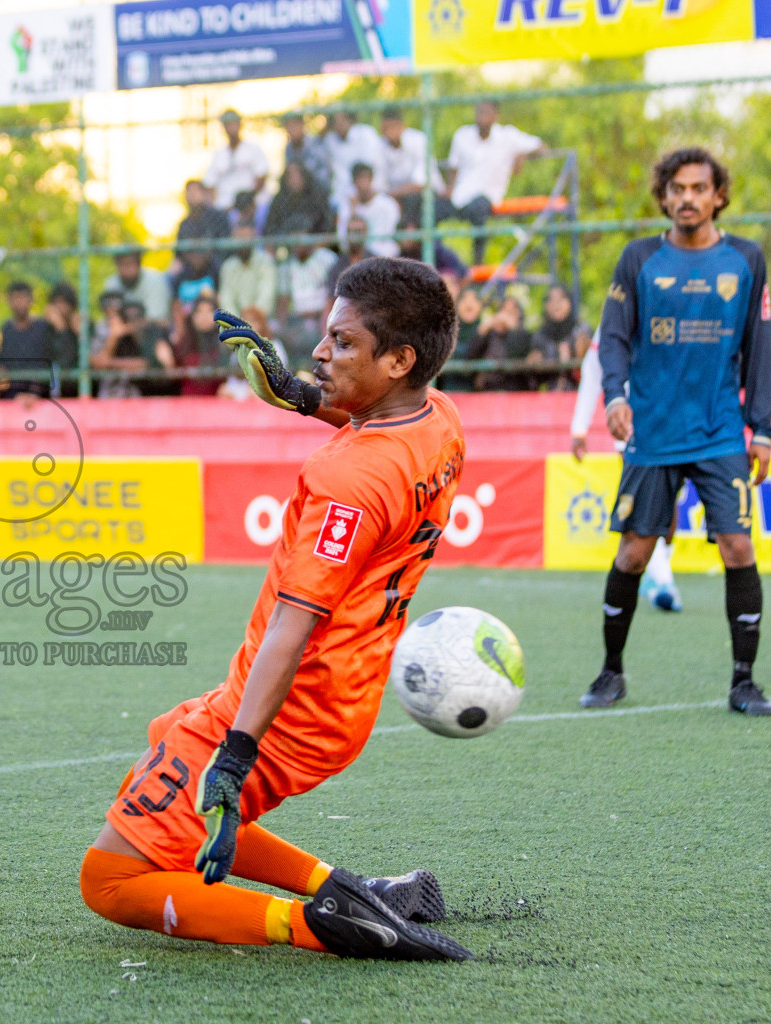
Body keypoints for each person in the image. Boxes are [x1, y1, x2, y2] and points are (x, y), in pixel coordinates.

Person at [79, 258, 473, 962]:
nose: (320, 352)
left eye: (342, 343)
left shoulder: (347, 478)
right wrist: (298, 394)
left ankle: (319, 926)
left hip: (292, 705)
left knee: (109, 879)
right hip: (346, 697)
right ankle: (352, 889)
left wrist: (236, 752)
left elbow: (294, 627)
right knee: (165, 733)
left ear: (399, 359)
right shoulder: (440, 417)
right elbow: (376, 427)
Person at [584, 146, 771, 716]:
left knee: (739, 546)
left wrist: (760, 429)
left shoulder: (746, 259)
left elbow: (759, 348)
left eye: (699, 188)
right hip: (652, 430)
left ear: (719, 195)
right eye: (677, 189)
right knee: (635, 555)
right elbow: (614, 338)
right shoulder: (638, 258)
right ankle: (610, 672)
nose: (687, 198)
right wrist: (614, 396)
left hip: (720, 431)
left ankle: (744, 682)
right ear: (663, 197)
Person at [570, 327, 682, 612]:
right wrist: (579, 428)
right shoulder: (615, 318)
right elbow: (593, 369)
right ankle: (663, 580)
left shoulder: (672, 309)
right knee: (646, 499)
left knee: (670, 501)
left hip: (674, 420)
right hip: (631, 427)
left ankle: (657, 570)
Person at [439, 101, 544, 262]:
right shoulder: (462, 135)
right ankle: (433, 261)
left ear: (496, 115)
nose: (482, 116)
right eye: (479, 111)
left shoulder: (508, 136)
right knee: (429, 207)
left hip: (487, 197)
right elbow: (453, 166)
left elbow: (540, 146)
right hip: (460, 195)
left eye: (486, 112)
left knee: (479, 210)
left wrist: (521, 154)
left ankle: (477, 264)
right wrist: (450, 188)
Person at [274, 233, 339, 368]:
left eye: (301, 240)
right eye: (294, 241)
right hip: (297, 320)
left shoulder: (326, 258)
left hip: (322, 317)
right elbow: (283, 301)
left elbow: (333, 295)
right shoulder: (286, 265)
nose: (297, 245)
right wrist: (284, 328)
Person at [0, 280, 57, 397]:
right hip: (11, 393)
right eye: (15, 298)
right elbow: (1, 366)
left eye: (23, 298)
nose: (19, 302)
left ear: (31, 300)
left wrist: (33, 393)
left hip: (39, 393)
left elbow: (45, 364)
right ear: (9, 301)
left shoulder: (42, 327)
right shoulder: (6, 329)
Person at [203, 110, 269, 212]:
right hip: (224, 208)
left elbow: (261, 176)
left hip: (252, 205)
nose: (231, 128)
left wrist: (246, 200)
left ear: (240, 124)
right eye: (227, 124)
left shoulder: (253, 149)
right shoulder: (218, 154)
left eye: (233, 123)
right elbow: (209, 183)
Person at [375, 106, 431, 221]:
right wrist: (393, 197)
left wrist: (394, 194)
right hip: (394, 199)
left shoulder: (418, 140)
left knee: (413, 200)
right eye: (385, 128)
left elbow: (420, 184)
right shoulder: (379, 146)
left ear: (402, 126)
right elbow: (378, 185)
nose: (389, 132)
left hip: (425, 198)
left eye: (392, 127)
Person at [468, 295, 532, 391]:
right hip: (488, 391)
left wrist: (513, 329)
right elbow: (471, 355)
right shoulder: (490, 335)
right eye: (504, 311)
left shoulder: (525, 336)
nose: (505, 317)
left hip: (515, 391)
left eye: (511, 312)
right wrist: (483, 330)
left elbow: (518, 355)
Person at [339, 163, 401, 259]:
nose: (363, 183)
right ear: (354, 182)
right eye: (359, 179)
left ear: (371, 179)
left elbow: (390, 235)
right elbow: (343, 241)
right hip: (357, 256)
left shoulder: (387, 204)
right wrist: (354, 211)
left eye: (365, 178)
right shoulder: (347, 206)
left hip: (384, 255)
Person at [217, 224, 276, 325]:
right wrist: (237, 323)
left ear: (254, 238)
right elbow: (227, 300)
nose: (243, 242)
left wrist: (253, 319)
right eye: (239, 238)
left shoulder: (265, 262)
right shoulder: (228, 266)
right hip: (236, 324)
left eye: (247, 238)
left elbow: (267, 296)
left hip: (263, 321)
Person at [322, 112, 384, 206]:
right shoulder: (330, 141)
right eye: (335, 121)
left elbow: (374, 165)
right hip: (344, 195)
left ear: (350, 120)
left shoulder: (366, 134)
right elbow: (338, 174)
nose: (339, 124)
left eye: (343, 120)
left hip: (371, 190)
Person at [263, 163, 335, 242]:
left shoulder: (316, 198)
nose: (294, 180)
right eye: (290, 176)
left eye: (297, 175)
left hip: (313, 246)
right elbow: (270, 230)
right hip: (286, 246)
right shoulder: (279, 202)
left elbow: (327, 229)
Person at [527, 283, 578, 390]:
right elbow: (533, 381)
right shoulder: (539, 336)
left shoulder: (580, 332)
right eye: (551, 300)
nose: (556, 304)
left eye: (561, 299)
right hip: (549, 398)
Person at [104, 249, 172, 327]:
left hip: (152, 332)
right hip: (122, 334)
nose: (127, 270)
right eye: (122, 265)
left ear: (139, 264)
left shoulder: (155, 280)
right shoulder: (112, 283)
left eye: (130, 264)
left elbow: (160, 320)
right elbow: (111, 319)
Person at [281, 112, 331, 192]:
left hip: (317, 192)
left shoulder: (315, 144)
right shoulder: (288, 148)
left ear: (302, 126)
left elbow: (324, 176)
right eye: (289, 126)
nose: (292, 130)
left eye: (295, 125)